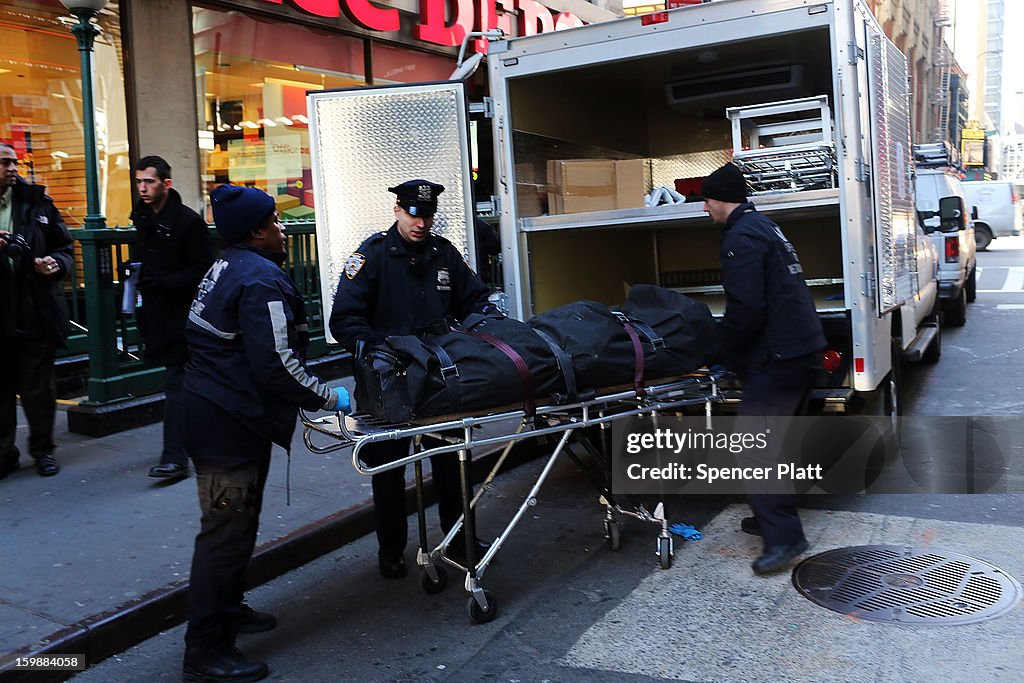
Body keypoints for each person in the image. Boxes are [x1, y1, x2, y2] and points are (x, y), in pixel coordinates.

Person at [179, 184, 349, 681]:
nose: (281, 229)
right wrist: (326, 397)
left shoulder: (228, 265)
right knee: (225, 533)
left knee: (238, 524)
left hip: (224, 414)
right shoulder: (258, 279)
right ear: (256, 231)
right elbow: (276, 362)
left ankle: (229, 611)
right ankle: (206, 650)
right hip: (225, 422)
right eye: (274, 222)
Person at [329, 179, 492, 579]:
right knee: (388, 469)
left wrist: (480, 330)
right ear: (398, 211)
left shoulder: (443, 255)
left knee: (454, 461)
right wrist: (373, 348)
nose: (421, 223)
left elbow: (474, 301)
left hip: (438, 379)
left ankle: (460, 538)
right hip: (388, 382)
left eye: (428, 215)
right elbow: (344, 319)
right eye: (414, 214)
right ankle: (392, 550)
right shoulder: (373, 257)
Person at [701, 162, 826, 576]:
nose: (704, 208)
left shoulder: (740, 237)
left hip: (780, 355)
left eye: (706, 200)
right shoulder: (766, 226)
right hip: (803, 348)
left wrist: (723, 354)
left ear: (721, 199)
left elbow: (747, 308)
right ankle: (768, 511)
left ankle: (785, 537)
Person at [132, 155, 213, 481]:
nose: (143, 187)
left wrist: (162, 283)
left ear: (166, 183)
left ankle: (175, 457)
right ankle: (201, 440)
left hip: (184, 318)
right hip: (157, 316)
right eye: (138, 182)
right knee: (187, 384)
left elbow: (202, 271)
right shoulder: (143, 218)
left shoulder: (188, 222)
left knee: (176, 386)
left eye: (149, 181)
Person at [0, 142, 73, 479]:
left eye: (14, 162)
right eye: (4, 163)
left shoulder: (38, 202)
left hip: (33, 310)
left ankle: (43, 451)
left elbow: (64, 247)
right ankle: (4, 454)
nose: (12, 168)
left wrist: (55, 263)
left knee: (39, 390)